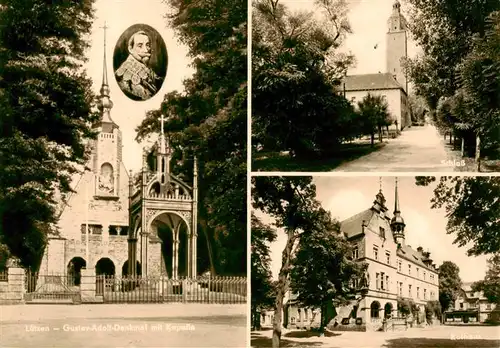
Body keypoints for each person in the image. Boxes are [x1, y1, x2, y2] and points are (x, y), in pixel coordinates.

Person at [115, 30, 163, 100]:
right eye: (140, 46)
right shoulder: (123, 74)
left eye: (148, 45)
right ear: (130, 49)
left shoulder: (148, 69)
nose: (146, 50)